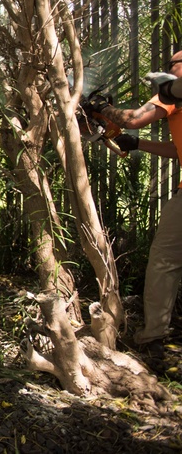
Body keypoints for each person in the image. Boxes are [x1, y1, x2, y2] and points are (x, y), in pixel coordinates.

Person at [91, 50, 182, 367]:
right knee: (164, 260)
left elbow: (132, 118)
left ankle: (153, 337)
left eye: (174, 65)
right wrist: (137, 143)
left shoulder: (174, 92)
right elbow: (176, 148)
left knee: (165, 262)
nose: (170, 70)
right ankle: (155, 337)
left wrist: (101, 107)